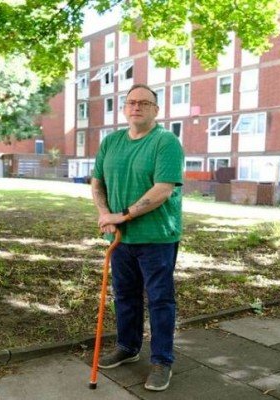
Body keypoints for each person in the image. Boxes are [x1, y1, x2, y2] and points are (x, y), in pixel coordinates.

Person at [91, 83, 184, 391]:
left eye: (144, 102)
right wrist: (105, 214)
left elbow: (163, 190)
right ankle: (128, 347)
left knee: (160, 300)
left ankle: (162, 361)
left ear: (156, 109)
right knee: (125, 295)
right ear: (124, 108)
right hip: (121, 239)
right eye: (131, 102)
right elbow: (97, 182)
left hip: (157, 238)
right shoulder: (111, 142)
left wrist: (123, 215)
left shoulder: (166, 142)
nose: (137, 107)